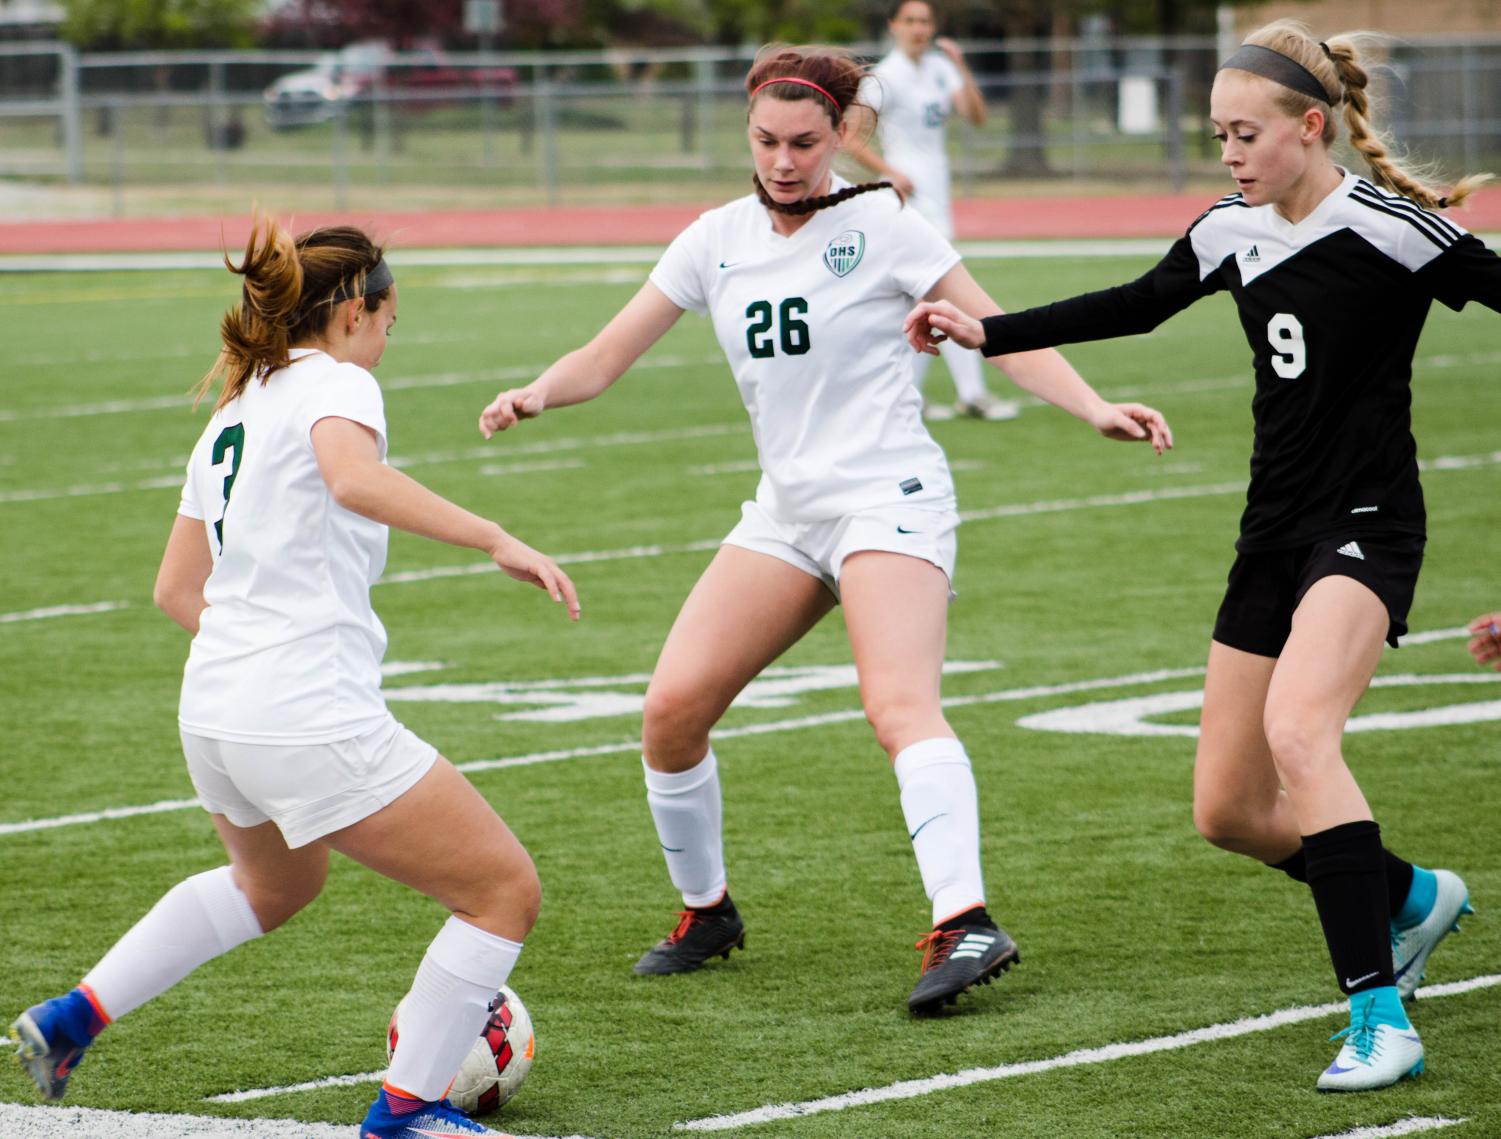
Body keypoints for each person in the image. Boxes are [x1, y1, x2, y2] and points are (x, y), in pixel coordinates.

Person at [477, 45, 1170, 1015]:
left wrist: (1091, 405)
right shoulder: (713, 237)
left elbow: (998, 330)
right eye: (765, 139)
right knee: (670, 714)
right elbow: (607, 351)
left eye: (804, 141)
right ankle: (706, 909)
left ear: (842, 135)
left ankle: (964, 915)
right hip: (788, 511)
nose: (783, 159)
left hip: (888, 494)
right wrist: (537, 394)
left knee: (896, 705)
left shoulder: (883, 223)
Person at [904, 20, 1494, 1086]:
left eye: (1243, 134)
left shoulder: (1394, 231)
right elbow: (1135, 305)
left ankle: (1380, 1016)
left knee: (1300, 735)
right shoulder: (1231, 230)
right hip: (1269, 532)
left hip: (1367, 524)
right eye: (1216, 133)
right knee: (1227, 808)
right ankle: (1410, 896)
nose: (1226, 152)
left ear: (1307, 128)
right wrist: (984, 334)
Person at [8, 216, 580, 1138]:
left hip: (214, 711)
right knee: (501, 891)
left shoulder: (234, 410)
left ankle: (74, 1015)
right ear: (355, 309)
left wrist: (253, 648)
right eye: (393, 318)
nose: (393, 336)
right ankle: (407, 1109)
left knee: (273, 887)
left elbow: (173, 589)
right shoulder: (339, 385)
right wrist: (495, 536)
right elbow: (352, 479)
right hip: (299, 711)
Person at [844, 0, 1017, 423]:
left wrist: (962, 68)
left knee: (927, 300)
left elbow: (975, 116)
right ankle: (969, 393)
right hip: (911, 201)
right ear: (894, 26)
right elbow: (849, 136)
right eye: (910, 21)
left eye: (925, 21)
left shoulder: (940, 68)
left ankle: (910, 397)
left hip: (938, 197)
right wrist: (891, 173)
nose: (919, 28)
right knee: (943, 295)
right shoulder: (885, 76)